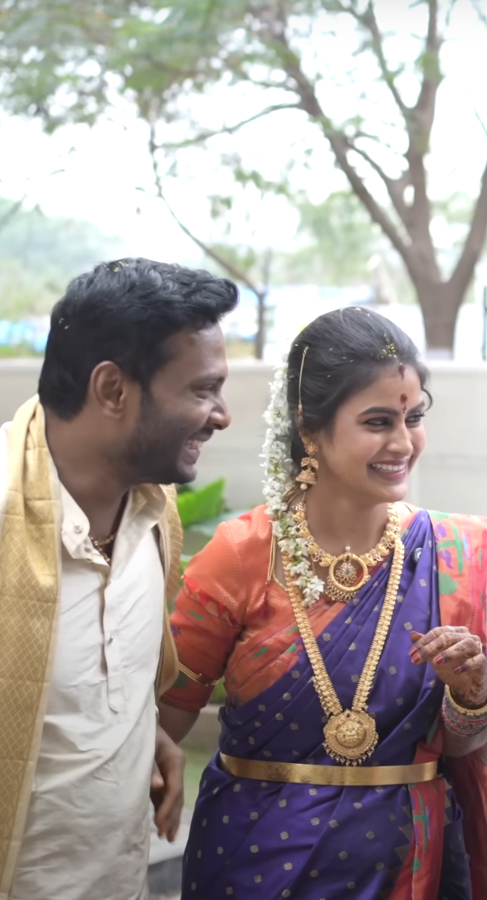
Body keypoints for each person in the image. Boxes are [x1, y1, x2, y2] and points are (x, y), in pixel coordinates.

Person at [158, 308, 487, 900]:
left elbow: (464, 746)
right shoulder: (243, 554)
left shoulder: (449, 552)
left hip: (409, 868)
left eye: (413, 418)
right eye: (377, 421)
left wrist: (470, 692)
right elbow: (166, 718)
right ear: (310, 428)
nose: (402, 442)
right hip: (255, 864)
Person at [0, 258, 237, 900]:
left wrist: (141, 733)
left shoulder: (155, 516)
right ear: (112, 390)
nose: (222, 415)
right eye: (202, 389)